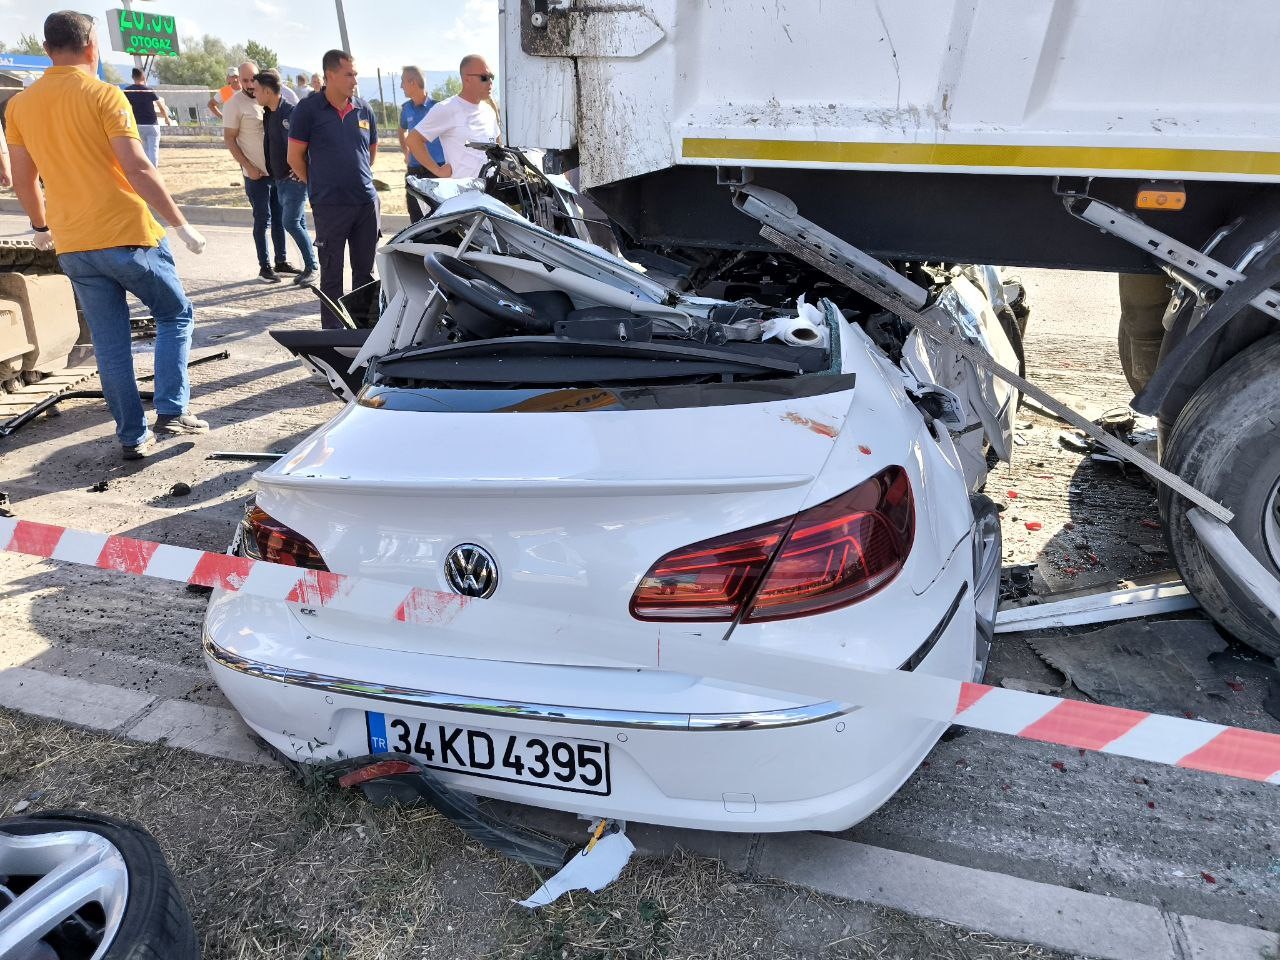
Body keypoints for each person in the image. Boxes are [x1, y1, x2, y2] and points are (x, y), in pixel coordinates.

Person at [7, 11, 207, 460]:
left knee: (110, 343)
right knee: (175, 314)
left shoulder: (20, 105)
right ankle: (172, 411)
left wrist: (40, 227)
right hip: (127, 232)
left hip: (73, 242)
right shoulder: (104, 94)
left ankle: (132, 436)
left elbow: (23, 179)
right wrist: (180, 223)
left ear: (47, 50)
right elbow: (137, 167)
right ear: (92, 45)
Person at [287, 49, 379, 329]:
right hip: (330, 206)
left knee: (366, 275)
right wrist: (319, 185)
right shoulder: (308, 110)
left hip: (366, 204)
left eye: (355, 74)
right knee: (331, 277)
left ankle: (364, 335)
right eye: (349, 74)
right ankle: (333, 337)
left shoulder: (364, 109)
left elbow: (370, 153)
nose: (355, 80)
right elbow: (294, 157)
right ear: (330, 75)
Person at [222, 60, 298, 282]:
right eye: (244, 80)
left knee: (279, 219)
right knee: (262, 220)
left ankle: (281, 262)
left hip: (276, 173)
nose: (248, 84)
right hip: (255, 176)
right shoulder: (233, 104)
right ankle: (264, 267)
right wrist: (248, 167)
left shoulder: (264, 99)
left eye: (252, 79)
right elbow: (229, 139)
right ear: (238, 80)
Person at [254, 70, 317, 286]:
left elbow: (309, 141)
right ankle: (310, 265)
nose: (254, 94)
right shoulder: (269, 113)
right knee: (297, 222)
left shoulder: (291, 113)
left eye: (257, 90)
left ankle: (312, 267)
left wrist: (302, 167)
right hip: (278, 178)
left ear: (267, 91)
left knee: (290, 222)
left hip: (294, 179)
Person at [405, 54, 499, 181]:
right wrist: (437, 170)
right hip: (464, 192)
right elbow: (413, 140)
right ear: (467, 79)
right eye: (484, 77)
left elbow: (497, 145)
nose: (490, 82)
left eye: (492, 77)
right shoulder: (447, 108)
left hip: (493, 188)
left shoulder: (489, 111)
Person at [397, 65, 444, 221]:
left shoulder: (438, 108)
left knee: (441, 217)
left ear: (412, 82)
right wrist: (406, 152)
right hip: (415, 171)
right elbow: (401, 130)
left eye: (403, 81)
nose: (401, 86)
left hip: (437, 172)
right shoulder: (406, 109)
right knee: (416, 217)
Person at [123, 67, 168, 167]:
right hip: (151, 124)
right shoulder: (148, 90)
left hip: (138, 124)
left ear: (132, 77)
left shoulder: (127, 91)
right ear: (143, 77)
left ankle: (147, 169)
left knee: (145, 149)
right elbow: (161, 106)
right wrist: (166, 118)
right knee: (153, 149)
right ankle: (153, 170)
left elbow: (123, 106)